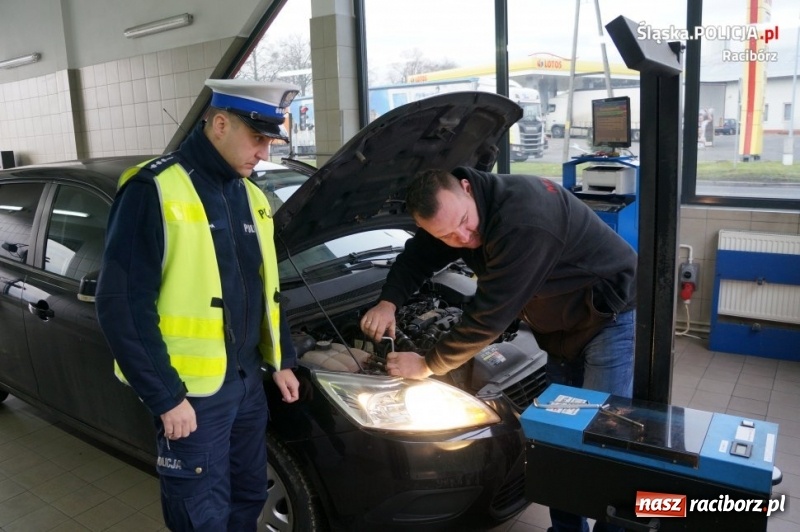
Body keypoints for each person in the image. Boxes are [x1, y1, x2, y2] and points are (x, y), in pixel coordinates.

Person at [360, 166, 636, 532]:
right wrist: (389, 302)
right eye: (447, 235)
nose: (463, 237)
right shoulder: (451, 217)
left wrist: (427, 365)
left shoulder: (524, 220)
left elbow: (488, 318)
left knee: (601, 439)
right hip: (560, 327)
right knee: (557, 438)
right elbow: (416, 257)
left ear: (466, 187)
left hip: (607, 318)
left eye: (464, 222)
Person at [96, 79, 301, 531]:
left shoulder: (251, 196)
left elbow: (266, 289)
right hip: (192, 397)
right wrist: (167, 397)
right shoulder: (153, 188)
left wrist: (282, 358)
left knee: (248, 496)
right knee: (200, 515)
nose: (264, 153)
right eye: (259, 138)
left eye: (271, 140)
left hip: (247, 383)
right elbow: (122, 305)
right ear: (221, 124)